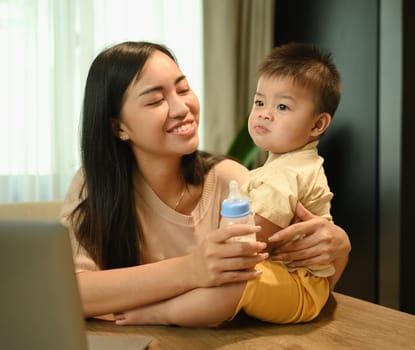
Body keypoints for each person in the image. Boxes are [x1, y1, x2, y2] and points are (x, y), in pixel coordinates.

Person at [61, 41, 351, 327]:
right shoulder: (94, 185)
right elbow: (71, 294)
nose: (181, 107)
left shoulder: (231, 180)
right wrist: (191, 269)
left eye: (183, 89)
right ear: (119, 127)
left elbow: (299, 291)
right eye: (155, 100)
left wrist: (340, 249)